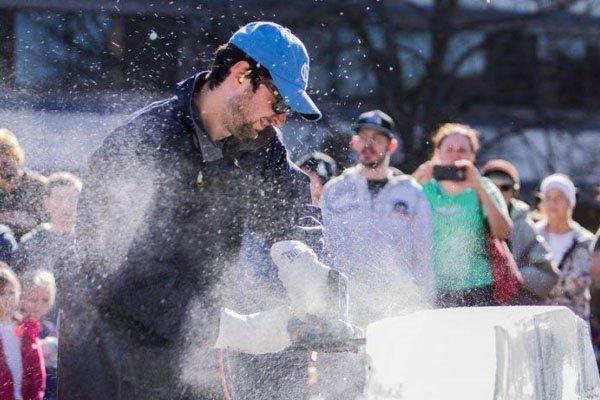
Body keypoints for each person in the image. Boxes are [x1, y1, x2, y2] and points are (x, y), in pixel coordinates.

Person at [60, 21, 322, 400]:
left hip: (195, 352)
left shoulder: (260, 142)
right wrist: (228, 327)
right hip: (112, 355)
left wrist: (302, 258)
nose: (280, 118)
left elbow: (291, 202)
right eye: (279, 102)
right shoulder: (141, 145)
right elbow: (120, 269)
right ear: (240, 75)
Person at [321, 110, 434, 327]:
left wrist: (423, 308)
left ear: (391, 146)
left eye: (377, 138)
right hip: (346, 306)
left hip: (396, 306)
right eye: (363, 138)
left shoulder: (411, 193)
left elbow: (424, 256)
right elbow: (323, 249)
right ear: (354, 142)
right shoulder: (335, 191)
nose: (368, 144)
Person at [413, 123, 512, 307]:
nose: (455, 156)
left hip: (478, 287)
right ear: (437, 154)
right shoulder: (423, 187)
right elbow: (397, 221)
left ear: (472, 156)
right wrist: (415, 179)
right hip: (433, 287)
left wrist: (479, 188)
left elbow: (504, 232)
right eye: (449, 149)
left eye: (462, 150)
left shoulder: (485, 187)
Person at [482, 159, 557, 302]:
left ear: (514, 191)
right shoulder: (467, 218)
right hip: (474, 306)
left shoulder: (524, 226)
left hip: (513, 311)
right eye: (490, 186)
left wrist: (513, 276)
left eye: (505, 187)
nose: (497, 192)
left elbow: (549, 277)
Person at [535, 173, 595, 321]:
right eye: (548, 197)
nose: (553, 203)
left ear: (570, 202)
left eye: (559, 197)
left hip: (574, 324)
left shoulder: (587, 242)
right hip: (538, 323)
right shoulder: (532, 236)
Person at [14, 172, 81, 278]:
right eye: (59, 199)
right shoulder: (31, 244)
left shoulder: (87, 240)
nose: (66, 205)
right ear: (46, 203)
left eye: (72, 198)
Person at [0, 264, 45, 400]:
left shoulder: (27, 330)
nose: (8, 298)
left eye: (12, 292)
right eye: (1, 293)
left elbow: (37, 377)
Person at [0, 129, 47, 240]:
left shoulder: (38, 186)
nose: (3, 159)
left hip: (34, 248)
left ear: (17, 155)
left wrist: (26, 220)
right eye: (0, 155)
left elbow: (54, 220)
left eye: (8, 154)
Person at [19, 270, 58, 400]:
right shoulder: (17, 326)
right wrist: (38, 347)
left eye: (45, 300)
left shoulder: (50, 329)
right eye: (33, 299)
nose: (39, 305)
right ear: (22, 299)